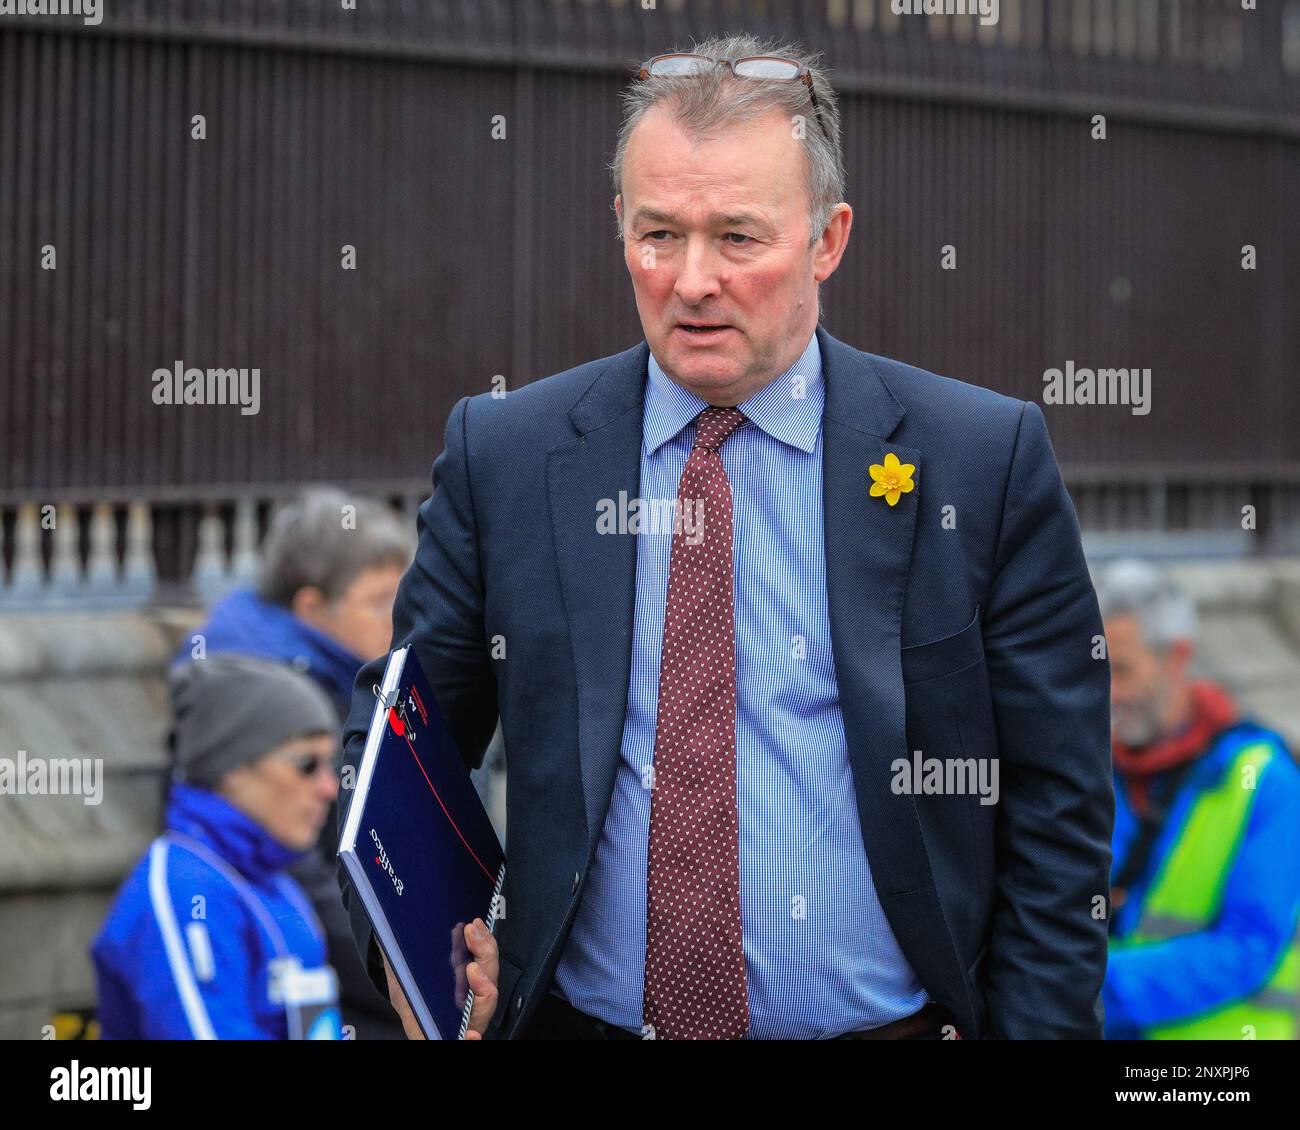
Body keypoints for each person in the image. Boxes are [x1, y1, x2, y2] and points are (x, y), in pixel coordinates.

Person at [339, 32, 1112, 1040]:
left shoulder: (979, 459)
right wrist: (421, 940)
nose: (692, 280)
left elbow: (1059, 809)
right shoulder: (509, 454)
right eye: (659, 234)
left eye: (738, 238)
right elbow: (405, 737)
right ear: (619, 223)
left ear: (828, 239)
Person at [180, 488, 416, 1039]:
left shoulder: (342, 678)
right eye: (379, 601)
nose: (399, 618)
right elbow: (308, 876)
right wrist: (409, 990)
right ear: (311, 607)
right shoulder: (271, 705)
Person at [1099, 559, 1300, 1039]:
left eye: (1122, 670)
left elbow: (1250, 944)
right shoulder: (1094, 770)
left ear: (1177, 657)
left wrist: (1086, 984)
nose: (1106, 692)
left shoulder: (1267, 779)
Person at [92, 655, 344, 1039]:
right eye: (308, 764)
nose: (329, 788)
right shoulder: (185, 890)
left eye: (331, 764)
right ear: (234, 768)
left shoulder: (280, 887)